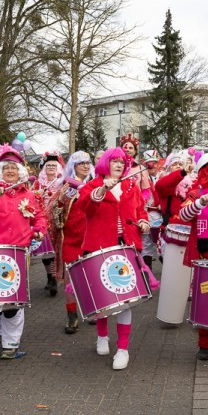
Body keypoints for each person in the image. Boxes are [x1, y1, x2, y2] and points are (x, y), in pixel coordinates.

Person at [0, 144, 47, 359]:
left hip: (17, 252)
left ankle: (10, 344)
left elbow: (39, 218)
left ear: (21, 172)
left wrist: (39, 230)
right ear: (0, 171)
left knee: (13, 301)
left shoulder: (30, 195)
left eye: (14, 168)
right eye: (6, 168)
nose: (11, 171)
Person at [80, 147, 151, 370]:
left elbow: (141, 211)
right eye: (114, 161)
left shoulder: (132, 186)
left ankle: (123, 349)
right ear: (105, 164)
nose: (119, 165)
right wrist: (101, 190)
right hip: (99, 247)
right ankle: (102, 336)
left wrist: (144, 223)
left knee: (125, 300)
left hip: (126, 249)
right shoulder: (92, 185)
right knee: (103, 299)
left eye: (123, 161)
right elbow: (86, 209)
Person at [178, 152, 208, 360]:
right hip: (206, 255)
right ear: (206, 172)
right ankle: (205, 343)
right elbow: (183, 215)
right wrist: (199, 204)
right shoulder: (197, 193)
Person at [46, 151, 93, 333]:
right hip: (70, 239)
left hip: (90, 239)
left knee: (91, 278)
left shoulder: (94, 184)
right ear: (73, 165)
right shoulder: (66, 187)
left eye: (88, 163)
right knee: (70, 280)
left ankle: (92, 311)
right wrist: (60, 203)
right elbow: (54, 215)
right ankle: (72, 316)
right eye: (81, 163)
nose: (85, 166)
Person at [33, 152, 64, 296]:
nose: (51, 168)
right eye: (48, 165)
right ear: (44, 168)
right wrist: (36, 194)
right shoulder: (38, 183)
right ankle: (50, 277)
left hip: (57, 220)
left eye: (53, 165)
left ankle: (54, 277)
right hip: (42, 220)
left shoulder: (62, 181)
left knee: (55, 251)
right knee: (46, 253)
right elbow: (31, 200)